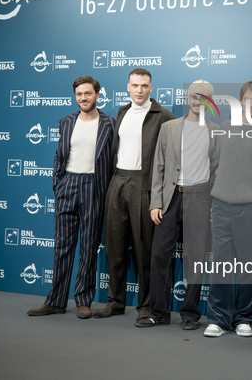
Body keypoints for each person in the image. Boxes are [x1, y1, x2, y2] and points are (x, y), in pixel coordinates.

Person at [28, 76, 115, 319]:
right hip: (68, 185)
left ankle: (83, 301)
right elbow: (60, 155)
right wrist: (58, 183)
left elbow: (113, 159)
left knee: (88, 248)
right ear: (75, 96)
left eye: (88, 93)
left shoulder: (109, 123)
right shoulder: (66, 122)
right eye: (79, 94)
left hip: (93, 187)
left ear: (97, 94)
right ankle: (56, 300)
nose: (83, 98)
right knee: (62, 247)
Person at [94, 68, 175, 325]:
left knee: (144, 251)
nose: (139, 90)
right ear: (128, 87)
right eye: (135, 85)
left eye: (144, 86)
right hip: (117, 181)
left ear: (151, 88)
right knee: (114, 248)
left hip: (145, 186)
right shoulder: (122, 112)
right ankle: (115, 302)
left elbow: (172, 159)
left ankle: (146, 305)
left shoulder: (164, 116)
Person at [136, 80, 218, 330]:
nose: (197, 100)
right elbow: (158, 167)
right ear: (187, 97)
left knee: (195, 258)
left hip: (200, 198)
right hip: (170, 199)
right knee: (160, 255)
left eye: (204, 96)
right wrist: (155, 203)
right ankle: (158, 312)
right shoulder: (169, 128)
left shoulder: (217, 131)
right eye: (194, 95)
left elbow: (217, 168)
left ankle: (190, 313)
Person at [204, 81, 252, 338]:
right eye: (246, 100)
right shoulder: (225, 129)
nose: (251, 105)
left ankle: (244, 318)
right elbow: (214, 163)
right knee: (221, 266)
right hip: (222, 206)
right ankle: (218, 318)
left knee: (250, 267)